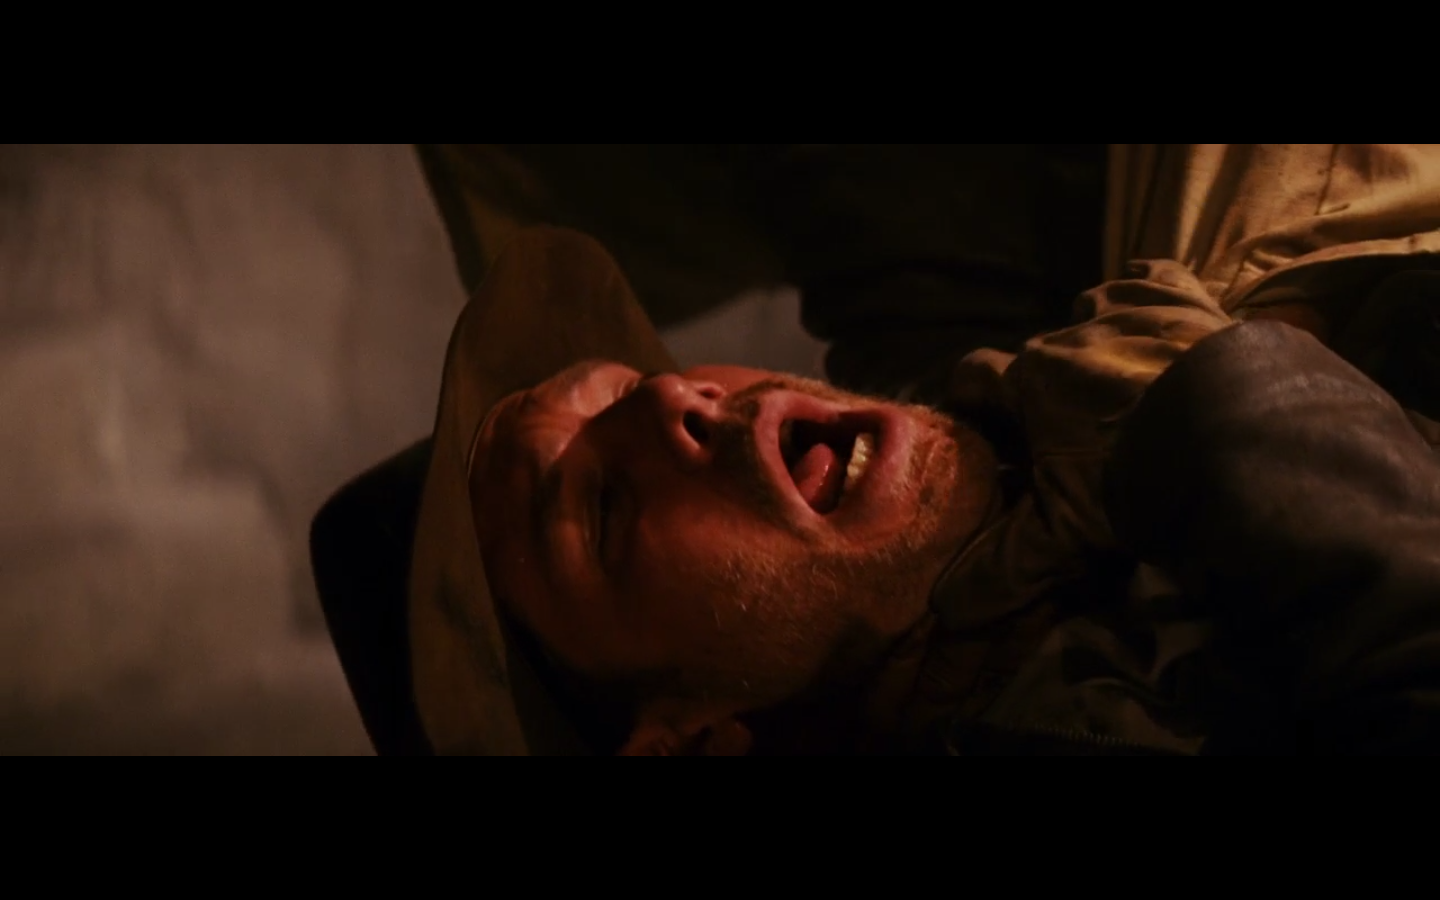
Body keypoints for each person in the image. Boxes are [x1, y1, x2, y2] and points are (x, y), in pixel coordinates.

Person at [312, 145, 1440, 755]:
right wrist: (1225, 404)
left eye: (629, 383)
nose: (674, 402)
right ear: (687, 741)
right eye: (599, 510)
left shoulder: (981, 421)